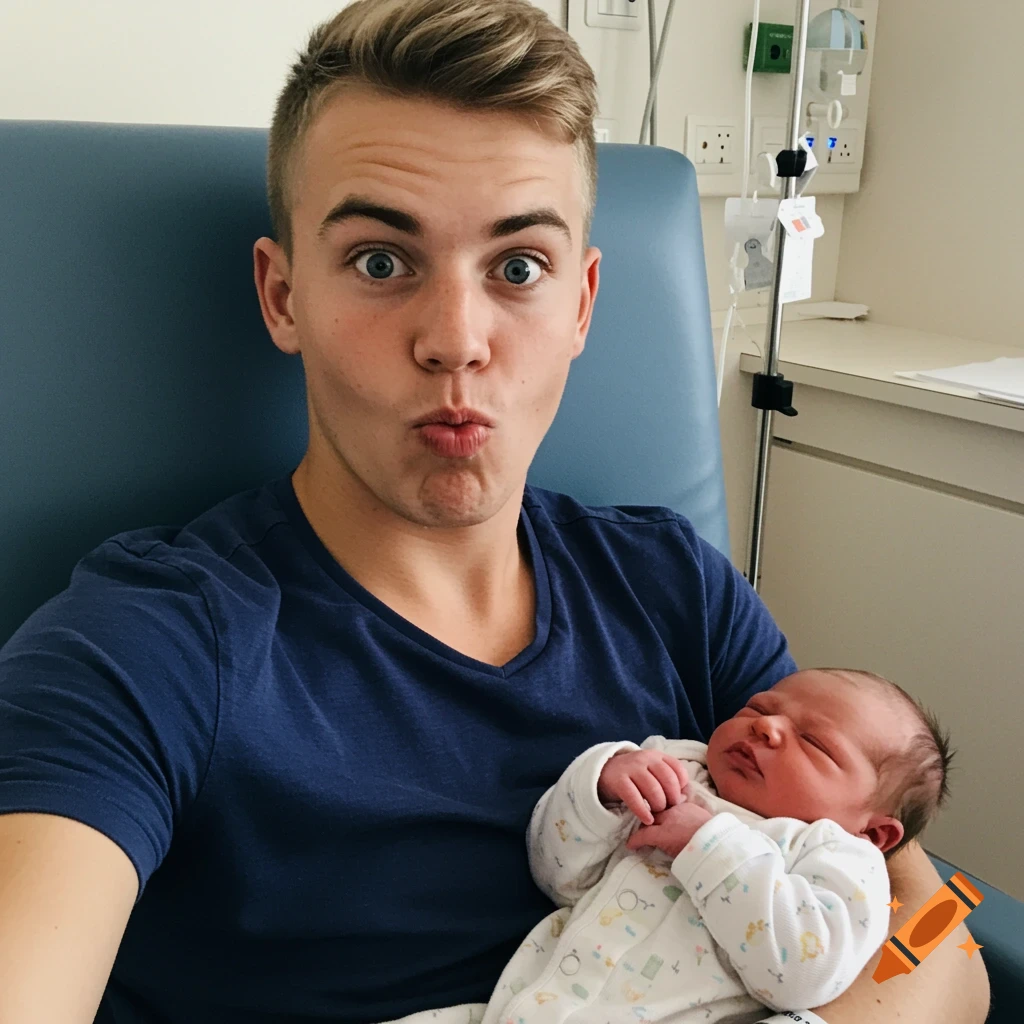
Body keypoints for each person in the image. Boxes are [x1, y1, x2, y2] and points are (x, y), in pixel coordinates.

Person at [0, 1, 989, 1022]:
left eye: (518, 267)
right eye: (381, 261)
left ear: (582, 306)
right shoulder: (148, 644)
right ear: (283, 294)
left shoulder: (672, 588)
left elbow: (935, 947)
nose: (456, 339)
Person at [383, 668, 954, 1022]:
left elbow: (802, 974)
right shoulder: (678, 767)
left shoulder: (837, 859)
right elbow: (559, 875)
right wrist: (602, 785)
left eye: (814, 743)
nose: (767, 728)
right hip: (525, 1003)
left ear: (874, 831)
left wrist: (707, 844)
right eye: (758, 708)